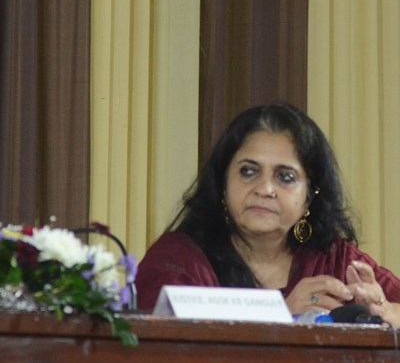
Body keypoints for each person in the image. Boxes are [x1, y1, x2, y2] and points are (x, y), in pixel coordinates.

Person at [135, 104, 400, 324]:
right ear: (223, 183)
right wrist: (283, 317)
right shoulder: (180, 262)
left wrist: (382, 310)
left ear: (309, 196)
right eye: (248, 171)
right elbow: (165, 350)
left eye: (285, 177)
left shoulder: (334, 261)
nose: (265, 189)